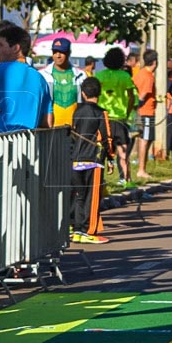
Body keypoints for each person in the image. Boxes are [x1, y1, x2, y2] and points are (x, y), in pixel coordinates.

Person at [0, 21, 53, 133]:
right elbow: (48, 122)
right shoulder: (41, 79)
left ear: (16, 48)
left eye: (1, 45)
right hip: (29, 144)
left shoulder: (1, 70)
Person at [69, 77, 115, 244]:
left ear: (83, 93)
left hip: (76, 159)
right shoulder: (101, 113)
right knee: (92, 198)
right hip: (94, 160)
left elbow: (74, 134)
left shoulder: (77, 111)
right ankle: (89, 230)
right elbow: (107, 138)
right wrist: (111, 158)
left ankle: (77, 229)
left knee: (79, 196)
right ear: (99, 94)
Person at [95, 47, 136, 184]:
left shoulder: (99, 75)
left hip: (103, 119)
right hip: (120, 119)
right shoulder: (125, 76)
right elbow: (131, 97)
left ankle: (99, 181)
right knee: (123, 153)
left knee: (100, 152)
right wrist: (128, 112)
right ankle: (126, 180)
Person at [39, 38, 86, 127]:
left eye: (61, 52)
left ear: (69, 53)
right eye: (55, 52)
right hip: (50, 130)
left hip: (74, 129)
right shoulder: (42, 75)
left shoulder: (81, 75)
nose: (58, 55)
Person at [133, 49, 159, 180]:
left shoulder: (140, 73)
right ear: (154, 62)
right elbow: (142, 95)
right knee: (145, 140)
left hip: (143, 112)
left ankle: (142, 167)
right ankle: (141, 169)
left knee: (144, 139)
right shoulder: (148, 76)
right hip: (146, 112)